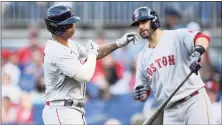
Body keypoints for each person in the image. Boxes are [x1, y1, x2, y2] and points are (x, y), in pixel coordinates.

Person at [42, 5, 138, 125]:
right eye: (69, 23)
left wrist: (118, 43)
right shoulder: (57, 51)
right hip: (61, 110)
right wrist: (92, 54)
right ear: (57, 27)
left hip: (70, 110)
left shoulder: (69, 45)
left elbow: (96, 52)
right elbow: (84, 75)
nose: (73, 25)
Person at [131, 6, 213, 124]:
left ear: (154, 20)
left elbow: (202, 38)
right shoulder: (142, 57)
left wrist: (197, 53)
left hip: (193, 101)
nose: (140, 26)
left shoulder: (176, 36)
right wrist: (138, 94)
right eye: (137, 24)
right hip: (169, 111)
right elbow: (143, 92)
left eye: (144, 21)